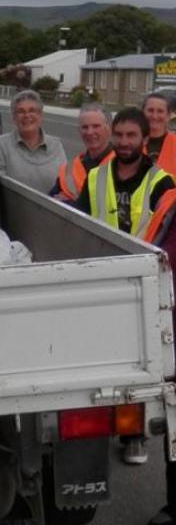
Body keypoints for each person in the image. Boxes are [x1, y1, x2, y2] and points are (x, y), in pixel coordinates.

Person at [77, 107, 176, 465]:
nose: (123, 142)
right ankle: (99, 426)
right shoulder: (95, 177)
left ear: (145, 140)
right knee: (102, 361)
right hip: (102, 281)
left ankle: (134, 436)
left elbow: (166, 239)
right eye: (118, 135)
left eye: (131, 135)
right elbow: (82, 226)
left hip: (143, 285)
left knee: (140, 364)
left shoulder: (162, 183)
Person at [0, 89, 67, 192]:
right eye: (21, 111)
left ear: (40, 115)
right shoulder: (1, 146)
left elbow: (64, 185)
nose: (27, 116)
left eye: (32, 110)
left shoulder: (56, 146)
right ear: (13, 117)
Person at [49, 102, 114, 201]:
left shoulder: (125, 165)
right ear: (79, 131)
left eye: (96, 126)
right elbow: (52, 202)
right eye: (85, 127)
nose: (90, 132)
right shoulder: (70, 170)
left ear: (109, 129)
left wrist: (71, 203)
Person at [142, 92, 176, 179]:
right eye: (150, 110)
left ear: (168, 115)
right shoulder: (129, 143)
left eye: (160, 111)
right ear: (142, 113)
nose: (154, 116)